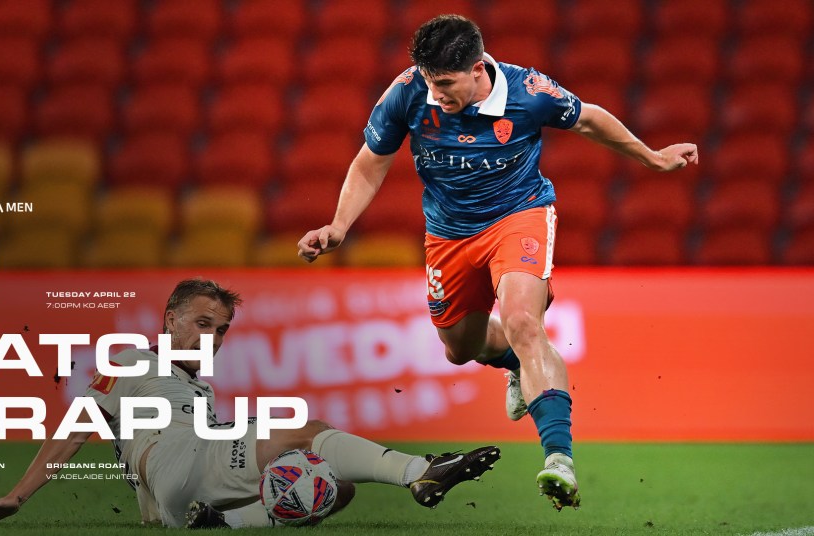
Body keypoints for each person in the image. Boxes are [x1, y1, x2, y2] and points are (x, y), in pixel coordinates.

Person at [298, 15, 698, 511]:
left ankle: (559, 459)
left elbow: (589, 118)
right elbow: (369, 163)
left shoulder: (529, 92)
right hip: (448, 233)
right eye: (429, 81)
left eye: (445, 84)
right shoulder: (407, 92)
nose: (435, 93)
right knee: (459, 349)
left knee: (522, 320)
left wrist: (653, 158)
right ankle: (513, 363)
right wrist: (338, 226)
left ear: (477, 70)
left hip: (518, 215)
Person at [0, 278, 500, 529]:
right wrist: (17, 496)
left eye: (220, 330)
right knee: (306, 429)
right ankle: (418, 471)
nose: (212, 338)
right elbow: (75, 427)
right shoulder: (130, 362)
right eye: (201, 323)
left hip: (176, 499)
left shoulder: (197, 391)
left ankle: (223, 523)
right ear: (169, 320)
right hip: (178, 460)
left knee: (334, 490)